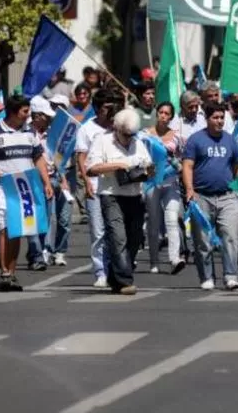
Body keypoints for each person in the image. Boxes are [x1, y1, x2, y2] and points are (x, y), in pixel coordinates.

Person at [0, 95, 54, 292]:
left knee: (18, 230)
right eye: (24, 111)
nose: (28, 115)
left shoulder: (30, 132)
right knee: (4, 227)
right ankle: (4, 273)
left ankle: (11, 274)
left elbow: (38, 158)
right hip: (0, 187)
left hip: (24, 188)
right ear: (13, 112)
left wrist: (46, 182)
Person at [86, 108, 153, 295]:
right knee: (117, 237)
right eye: (125, 134)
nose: (129, 138)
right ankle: (125, 280)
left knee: (135, 239)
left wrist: (145, 172)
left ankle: (115, 277)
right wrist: (118, 166)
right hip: (111, 195)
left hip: (135, 196)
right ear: (116, 129)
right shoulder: (102, 140)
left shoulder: (138, 143)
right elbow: (91, 168)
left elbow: (148, 165)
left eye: (132, 134)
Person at [182, 100, 238, 291]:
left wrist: (235, 185)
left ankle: (231, 276)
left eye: (222, 117)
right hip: (201, 196)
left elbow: (236, 166)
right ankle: (207, 276)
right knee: (203, 240)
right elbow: (187, 166)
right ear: (207, 119)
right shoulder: (195, 140)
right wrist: (190, 189)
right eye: (215, 117)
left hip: (226, 196)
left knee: (230, 236)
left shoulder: (230, 140)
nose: (219, 121)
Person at [76, 89, 118, 288]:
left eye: (112, 107)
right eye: (105, 108)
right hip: (94, 186)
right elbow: (81, 158)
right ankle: (100, 271)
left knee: (116, 230)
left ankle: (116, 268)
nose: (109, 112)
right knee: (98, 231)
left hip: (116, 186)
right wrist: (86, 183)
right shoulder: (86, 129)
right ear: (97, 109)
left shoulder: (118, 126)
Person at [144, 101, 185, 275]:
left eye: (167, 113)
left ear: (171, 117)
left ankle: (174, 258)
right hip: (152, 183)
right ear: (156, 113)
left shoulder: (177, 137)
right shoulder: (146, 135)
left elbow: (183, 160)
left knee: (172, 219)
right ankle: (154, 260)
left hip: (171, 183)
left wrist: (178, 165)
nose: (163, 116)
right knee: (153, 223)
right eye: (161, 112)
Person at [26, 96, 58, 270]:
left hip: (49, 178)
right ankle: (35, 251)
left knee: (48, 216)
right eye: (45, 115)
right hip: (30, 179)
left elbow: (56, 157)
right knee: (32, 217)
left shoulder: (51, 133)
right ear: (36, 116)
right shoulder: (25, 133)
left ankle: (44, 250)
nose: (49, 118)